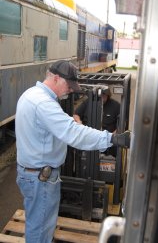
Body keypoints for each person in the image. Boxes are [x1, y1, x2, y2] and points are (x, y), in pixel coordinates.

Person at [15, 60, 130, 243]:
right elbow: (73, 133)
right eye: (69, 85)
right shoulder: (44, 104)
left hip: (32, 173)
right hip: (40, 179)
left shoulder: (31, 94)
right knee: (40, 228)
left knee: (38, 222)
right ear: (56, 78)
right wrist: (111, 139)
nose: (70, 90)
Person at [73, 87, 120, 156]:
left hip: (107, 141)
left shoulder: (116, 106)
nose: (101, 98)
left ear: (108, 95)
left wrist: (113, 137)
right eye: (99, 96)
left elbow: (122, 123)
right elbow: (76, 114)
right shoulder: (88, 102)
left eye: (103, 95)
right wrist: (79, 123)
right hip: (88, 139)